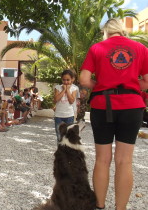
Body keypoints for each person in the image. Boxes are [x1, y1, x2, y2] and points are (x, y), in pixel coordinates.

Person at [79, 18, 148, 210]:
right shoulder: (140, 49)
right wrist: (132, 85)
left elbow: (84, 79)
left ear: (106, 32)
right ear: (122, 31)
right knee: (124, 160)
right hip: (132, 106)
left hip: (103, 105)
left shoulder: (97, 48)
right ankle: (120, 208)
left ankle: (100, 205)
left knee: (103, 159)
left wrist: (100, 87)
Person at [54, 69, 77, 142]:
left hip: (69, 115)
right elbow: (55, 99)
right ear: (61, 79)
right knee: (59, 136)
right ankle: (60, 152)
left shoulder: (74, 88)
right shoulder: (57, 87)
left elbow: (71, 101)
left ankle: (67, 152)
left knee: (69, 136)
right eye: (64, 80)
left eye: (68, 80)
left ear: (72, 79)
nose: (66, 82)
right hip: (58, 115)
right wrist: (63, 90)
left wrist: (67, 90)